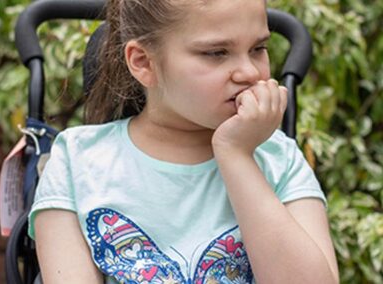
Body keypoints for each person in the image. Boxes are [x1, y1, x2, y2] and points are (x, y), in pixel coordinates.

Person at [28, 0, 339, 283]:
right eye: (217, 53)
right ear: (143, 63)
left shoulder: (279, 158)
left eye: (258, 49)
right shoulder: (77, 161)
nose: (249, 72)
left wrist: (237, 156)